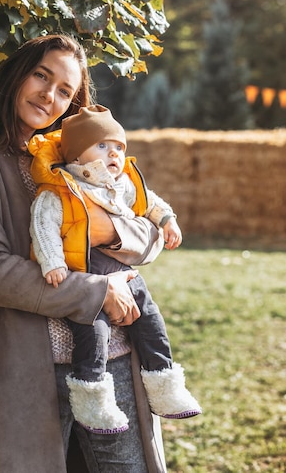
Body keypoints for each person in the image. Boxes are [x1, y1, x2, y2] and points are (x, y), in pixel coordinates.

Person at [0, 35, 168, 473]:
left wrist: (110, 231)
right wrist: (96, 291)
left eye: (65, 90)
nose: (49, 95)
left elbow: (150, 229)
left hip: (112, 355)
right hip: (25, 369)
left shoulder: (80, 156)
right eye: (42, 75)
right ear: (15, 73)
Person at [28, 105, 202, 434]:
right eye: (103, 146)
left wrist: (168, 221)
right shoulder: (60, 191)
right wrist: (52, 261)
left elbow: (151, 202)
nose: (114, 154)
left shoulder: (123, 185)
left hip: (123, 271)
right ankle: (91, 397)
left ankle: (165, 385)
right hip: (84, 275)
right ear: (76, 156)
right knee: (93, 331)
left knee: (150, 318)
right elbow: (43, 226)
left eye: (119, 147)